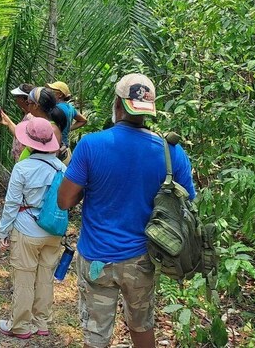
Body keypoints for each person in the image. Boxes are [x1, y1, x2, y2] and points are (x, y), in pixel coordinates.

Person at [57, 74, 196, 348]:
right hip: (142, 259)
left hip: (97, 257)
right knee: (141, 325)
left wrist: (90, 188)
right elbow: (187, 203)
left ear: (118, 104)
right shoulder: (171, 152)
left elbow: (64, 201)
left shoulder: (90, 145)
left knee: (96, 336)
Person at [0, 116, 65, 339]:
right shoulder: (61, 167)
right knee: (45, 277)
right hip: (53, 230)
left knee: (24, 279)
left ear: (28, 142)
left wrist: (3, 231)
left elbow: (12, 203)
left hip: (27, 229)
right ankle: (42, 322)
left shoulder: (22, 168)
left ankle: (20, 326)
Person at [18, 87, 67, 161]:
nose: (27, 106)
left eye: (28, 103)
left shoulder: (51, 129)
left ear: (36, 106)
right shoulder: (35, 123)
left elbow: (52, 158)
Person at [46, 81, 87, 153]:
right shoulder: (70, 107)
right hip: (65, 145)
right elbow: (83, 120)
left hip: (56, 147)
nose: (49, 93)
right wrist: (68, 128)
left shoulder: (56, 109)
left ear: (60, 95)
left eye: (52, 91)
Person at [0, 83, 35, 161]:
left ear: (22, 99)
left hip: (25, 160)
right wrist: (7, 121)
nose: (15, 100)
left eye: (17, 97)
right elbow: (19, 133)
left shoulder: (30, 117)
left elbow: (24, 138)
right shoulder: (27, 114)